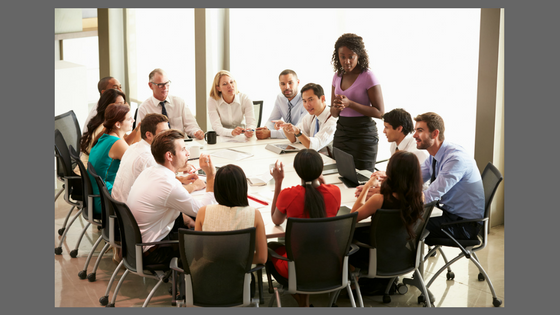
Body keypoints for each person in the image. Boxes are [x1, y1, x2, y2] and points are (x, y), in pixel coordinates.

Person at [126, 129, 216, 266]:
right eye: (183, 149)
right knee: (214, 240)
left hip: (136, 245)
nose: (188, 153)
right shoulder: (169, 185)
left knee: (192, 219)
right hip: (154, 251)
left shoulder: (150, 172)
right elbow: (205, 212)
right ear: (169, 156)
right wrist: (211, 176)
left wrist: (186, 219)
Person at [268, 149, 341, 307]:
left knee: (270, 248)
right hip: (331, 264)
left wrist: (278, 182)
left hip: (297, 269)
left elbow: (275, 219)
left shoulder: (288, 195)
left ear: (296, 170)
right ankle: (304, 302)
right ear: (321, 169)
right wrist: (322, 180)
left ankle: (303, 302)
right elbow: (323, 192)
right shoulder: (335, 192)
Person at [413, 112, 484, 241]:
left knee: (406, 225)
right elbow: (414, 180)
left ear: (435, 134)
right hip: (448, 214)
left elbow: (429, 196)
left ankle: (408, 261)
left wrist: (391, 198)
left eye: (420, 130)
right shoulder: (435, 154)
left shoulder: (455, 159)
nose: (414, 135)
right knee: (406, 219)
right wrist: (384, 188)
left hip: (463, 225)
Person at [350, 151, 425, 268]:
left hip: (376, 258)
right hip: (403, 255)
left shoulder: (379, 200)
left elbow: (352, 218)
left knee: (346, 235)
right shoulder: (420, 197)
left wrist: (367, 187)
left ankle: (352, 282)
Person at [330, 33, 385, 172]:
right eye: (342, 56)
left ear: (358, 55)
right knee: (342, 177)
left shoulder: (368, 76)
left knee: (363, 181)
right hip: (342, 133)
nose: (346, 61)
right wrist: (337, 106)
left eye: (351, 56)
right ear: (337, 56)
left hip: (363, 136)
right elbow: (333, 113)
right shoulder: (337, 76)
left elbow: (380, 112)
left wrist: (351, 104)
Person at [194, 164, 267, 265]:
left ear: (217, 188)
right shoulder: (254, 214)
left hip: (206, 277)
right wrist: (239, 260)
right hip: (240, 279)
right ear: (243, 187)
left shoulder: (203, 212)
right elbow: (261, 258)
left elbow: (197, 255)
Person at [354, 108, 428, 198]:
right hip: (398, 189)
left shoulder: (416, 151)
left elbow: (412, 183)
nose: (384, 131)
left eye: (386, 127)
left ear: (399, 128)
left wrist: (384, 188)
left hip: (411, 197)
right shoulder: (394, 144)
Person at [87, 103, 138, 215]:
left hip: (99, 197)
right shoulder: (117, 143)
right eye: (129, 119)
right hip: (107, 202)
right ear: (118, 124)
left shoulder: (105, 137)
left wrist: (137, 130)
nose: (133, 120)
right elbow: (139, 166)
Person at [112, 113, 174, 203]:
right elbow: (167, 190)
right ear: (149, 135)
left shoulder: (134, 147)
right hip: (131, 211)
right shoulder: (147, 158)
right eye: (163, 133)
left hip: (120, 207)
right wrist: (193, 186)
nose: (168, 136)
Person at [79, 89, 141, 172]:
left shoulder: (109, 129)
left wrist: (137, 129)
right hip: (89, 172)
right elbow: (136, 163)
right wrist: (139, 133)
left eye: (124, 103)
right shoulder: (104, 130)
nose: (124, 106)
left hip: (94, 175)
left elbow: (124, 143)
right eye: (119, 104)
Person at [136, 68, 204, 140]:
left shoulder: (179, 102)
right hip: (157, 147)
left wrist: (196, 132)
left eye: (167, 83)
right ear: (150, 85)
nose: (165, 88)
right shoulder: (144, 108)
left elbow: (191, 125)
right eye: (160, 85)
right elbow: (141, 136)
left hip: (181, 144)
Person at [280, 83, 337, 156]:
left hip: (330, 161)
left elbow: (315, 146)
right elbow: (295, 139)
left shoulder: (332, 119)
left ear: (322, 99)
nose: (307, 105)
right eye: (304, 101)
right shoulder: (311, 116)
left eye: (311, 100)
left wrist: (297, 132)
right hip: (314, 159)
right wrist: (284, 127)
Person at [255, 69, 306, 139]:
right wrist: (265, 129)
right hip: (288, 142)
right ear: (279, 85)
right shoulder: (280, 98)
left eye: (290, 83)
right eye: (283, 84)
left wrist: (270, 133)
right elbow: (272, 121)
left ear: (298, 82)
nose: (287, 87)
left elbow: (297, 130)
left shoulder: (306, 100)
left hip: (302, 142)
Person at [207, 70, 256, 138]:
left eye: (231, 82)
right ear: (218, 88)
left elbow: (251, 123)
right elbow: (216, 127)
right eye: (225, 84)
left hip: (242, 137)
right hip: (222, 138)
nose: (230, 86)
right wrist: (231, 132)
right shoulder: (212, 100)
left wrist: (250, 130)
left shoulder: (245, 99)